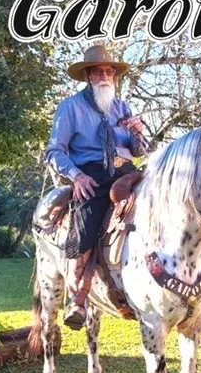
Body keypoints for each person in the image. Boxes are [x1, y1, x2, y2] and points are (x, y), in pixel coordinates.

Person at [45, 45, 148, 330]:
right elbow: (54, 152)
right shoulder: (70, 107)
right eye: (99, 71)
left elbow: (138, 150)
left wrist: (138, 133)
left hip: (127, 173)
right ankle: (78, 297)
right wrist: (76, 176)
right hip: (92, 175)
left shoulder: (122, 106)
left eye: (110, 71)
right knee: (87, 224)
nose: (105, 75)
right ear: (88, 75)